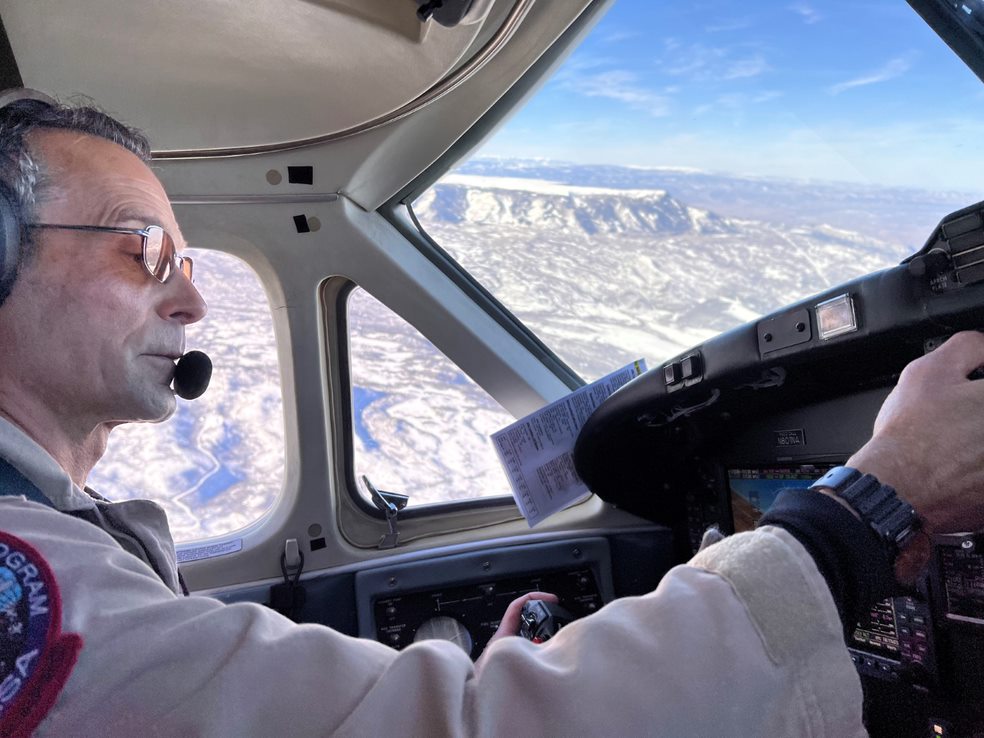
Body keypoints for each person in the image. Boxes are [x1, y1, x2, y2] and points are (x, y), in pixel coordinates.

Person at [0, 92, 982, 737]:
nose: (194, 302)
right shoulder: (28, 591)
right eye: (146, 251)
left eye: (188, 260)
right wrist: (869, 507)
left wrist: (466, 668)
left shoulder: (66, 539)